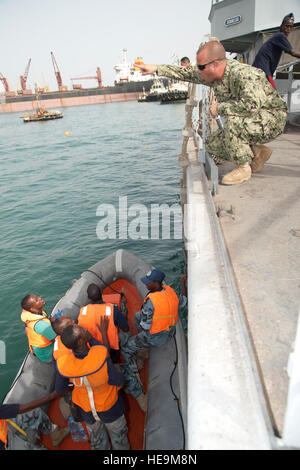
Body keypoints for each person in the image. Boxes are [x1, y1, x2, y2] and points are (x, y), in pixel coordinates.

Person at [136, 41, 288, 185]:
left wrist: (219, 108)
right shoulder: (212, 75)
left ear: (215, 64)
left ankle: (243, 167)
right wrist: (156, 68)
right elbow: (187, 73)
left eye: (201, 67)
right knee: (212, 144)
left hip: (272, 119)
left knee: (233, 123)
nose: (198, 71)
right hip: (251, 119)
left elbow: (252, 105)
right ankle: (258, 152)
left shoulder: (243, 74)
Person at [54, 323, 130, 450]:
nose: (86, 329)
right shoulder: (101, 356)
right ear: (81, 341)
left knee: (97, 440)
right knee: (119, 437)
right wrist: (120, 373)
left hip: (86, 411)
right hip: (109, 408)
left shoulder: (63, 364)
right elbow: (117, 381)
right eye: (83, 330)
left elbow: (60, 389)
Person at [119, 269, 186, 407]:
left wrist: (142, 334)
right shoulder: (170, 291)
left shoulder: (151, 303)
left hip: (156, 337)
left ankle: (135, 375)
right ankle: (143, 349)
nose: (146, 285)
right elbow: (184, 301)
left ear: (156, 283)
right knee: (137, 316)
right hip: (169, 330)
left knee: (126, 348)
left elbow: (145, 326)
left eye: (148, 283)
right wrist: (183, 283)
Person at [77, 284, 129, 363]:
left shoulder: (83, 311)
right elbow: (126, 328)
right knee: (125, 335)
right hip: (112, 349)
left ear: (88, 298)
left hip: (91, 348)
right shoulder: (112, 309)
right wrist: (124, 317)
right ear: (101, 294)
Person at [0, 390, 68, 450]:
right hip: (7, 446)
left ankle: (54, 433)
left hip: (6, 427)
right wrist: (52, 396)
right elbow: (24, 408)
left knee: (34, 412)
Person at [252, 13, 300, 89]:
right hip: (263, 70)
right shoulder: (280, 36)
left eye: (291, 27)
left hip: (259, 70)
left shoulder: (277, 36)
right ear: (282, 25)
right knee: (272, 94)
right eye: (286, 26)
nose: (288, 29)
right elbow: (292, 52)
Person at [21, 294, 57, 362]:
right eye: (37, 300)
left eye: (38, 297)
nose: (40, 298)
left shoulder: (34, 314)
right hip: (47, 354)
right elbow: (55, 340)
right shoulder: (41, 325)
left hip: (39, 349)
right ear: (32, 308)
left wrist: (49, 320)